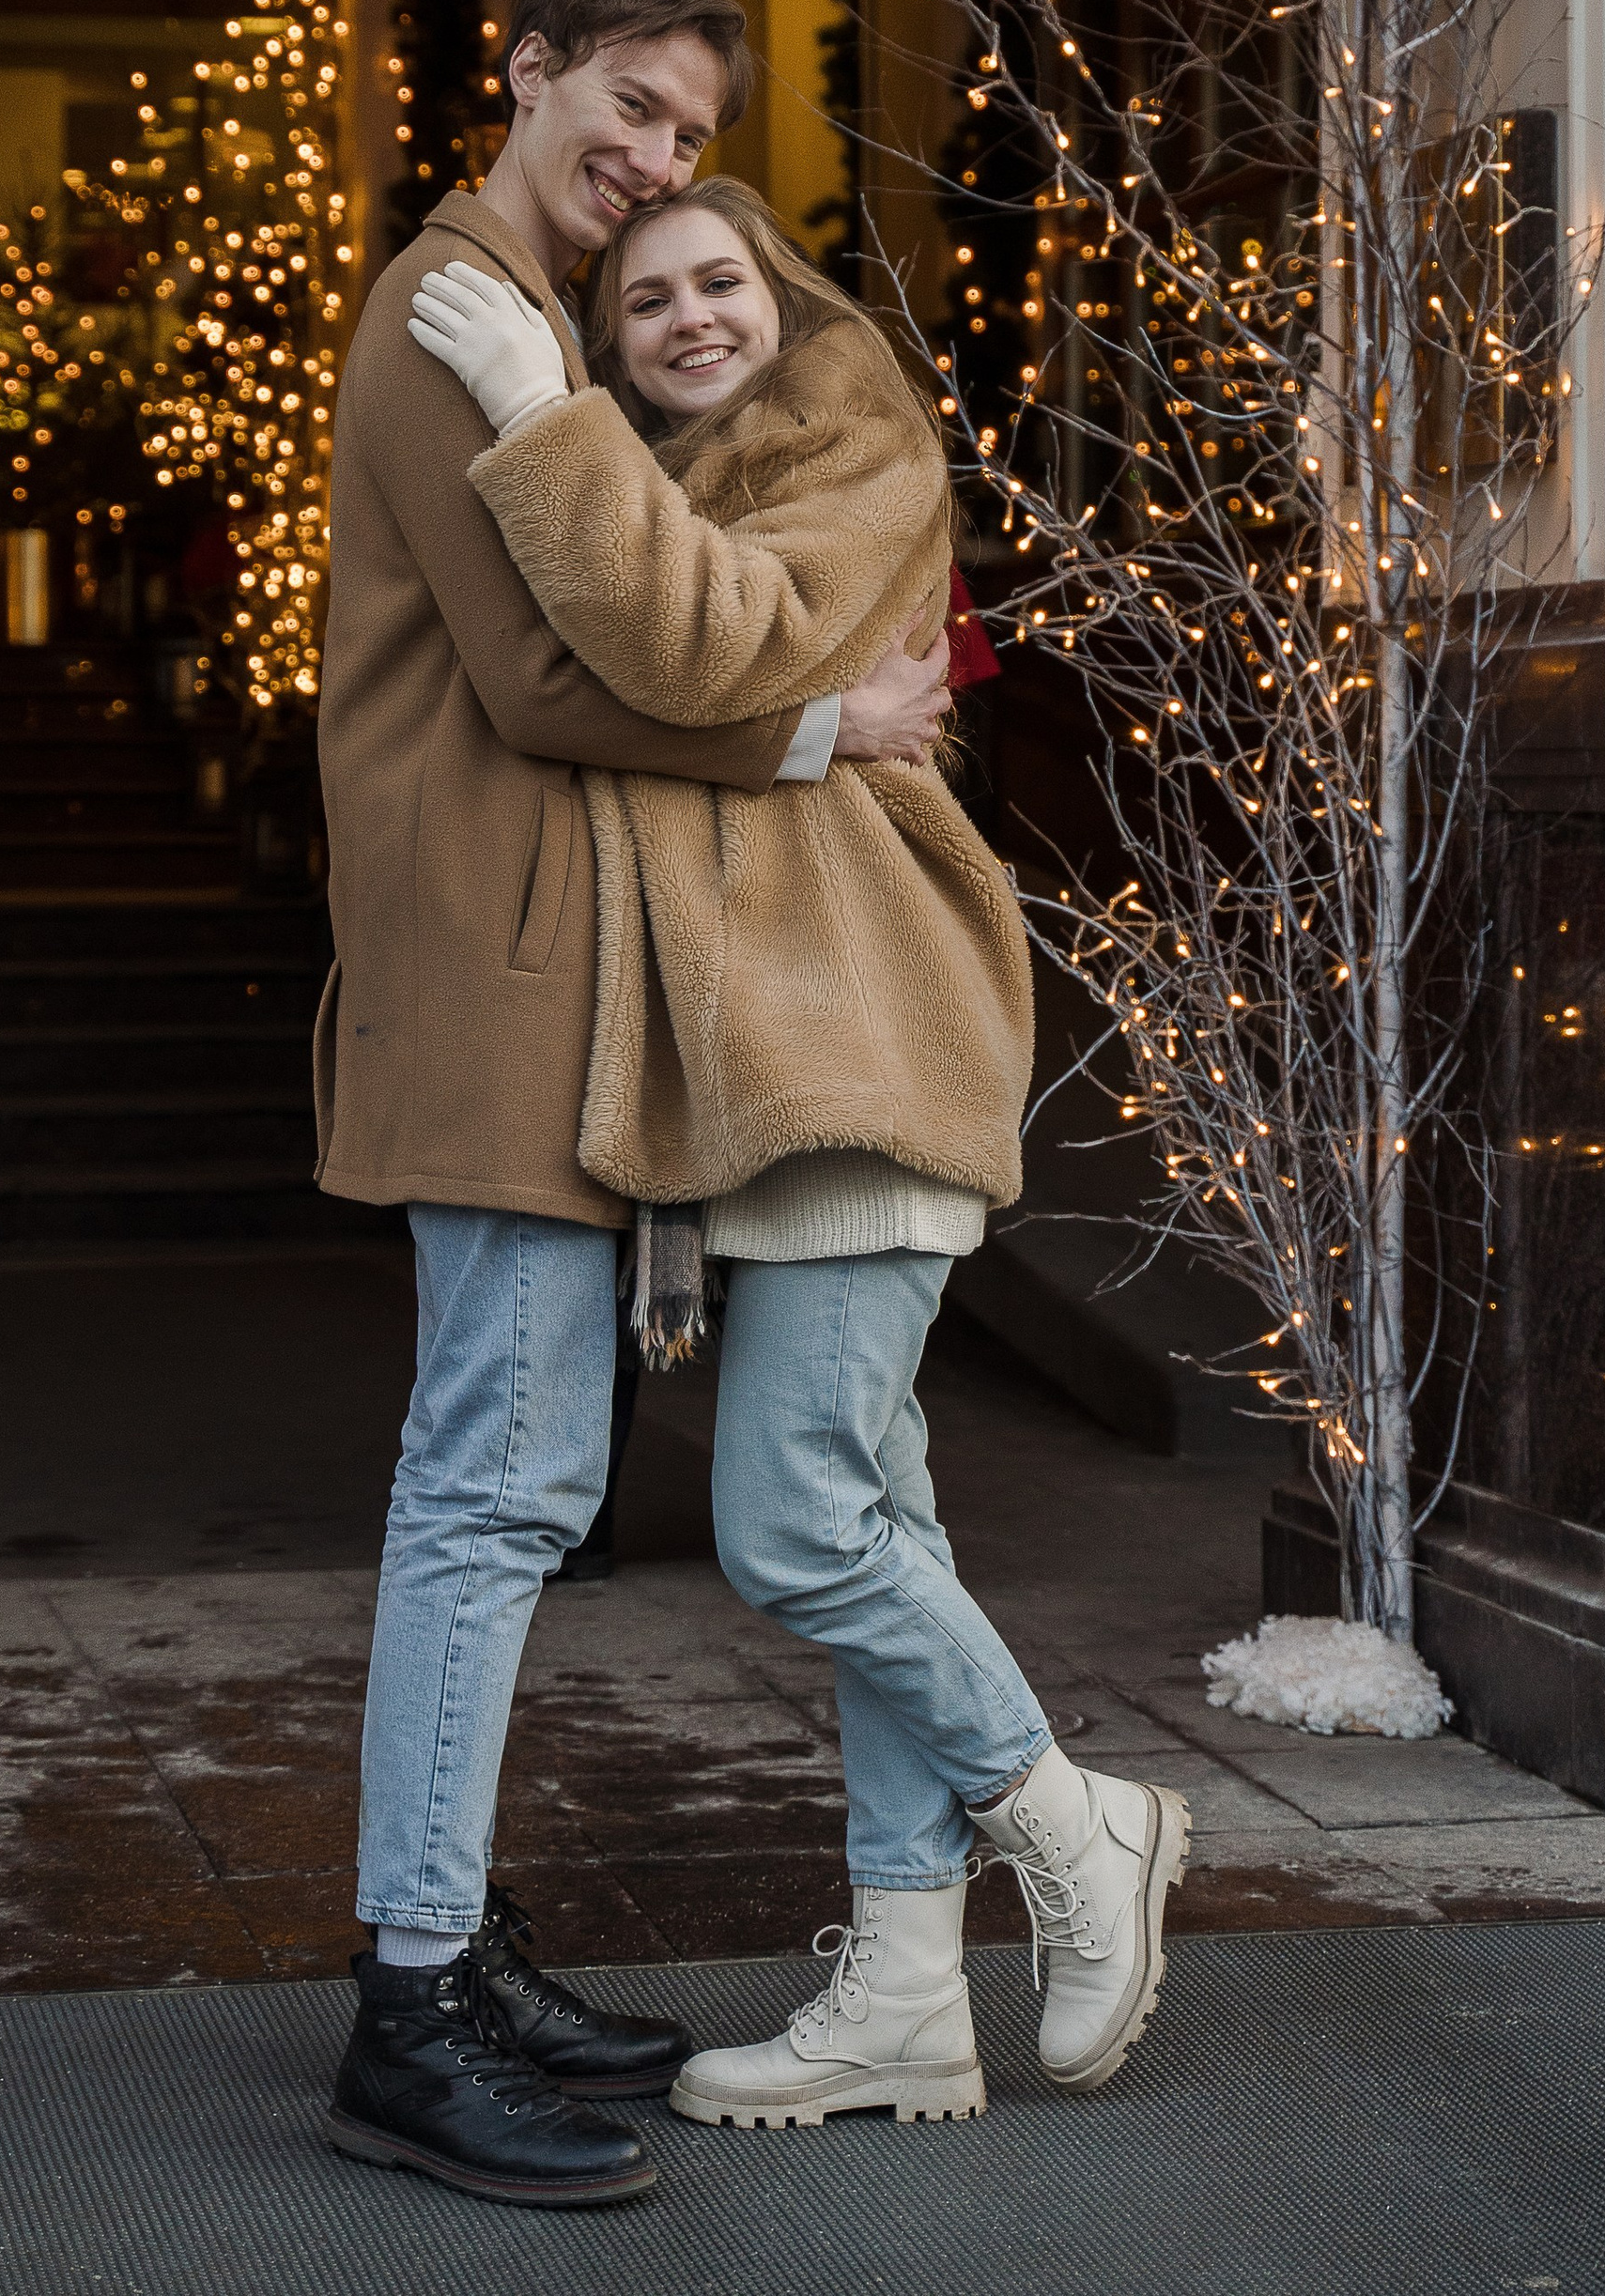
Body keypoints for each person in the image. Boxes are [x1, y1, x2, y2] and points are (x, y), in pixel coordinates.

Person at [408, 176, 1191, 2136]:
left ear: (781, 294)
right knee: (881, 1530)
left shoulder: (845, 437)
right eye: (640, 300)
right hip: (759, 1075)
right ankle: (907, 1991)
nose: (685, 318)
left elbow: (691, 645)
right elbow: (609, 692)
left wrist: (536, 416)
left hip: (862, 1044)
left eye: (714, 282)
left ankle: (1071, 1823)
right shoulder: (667, 475)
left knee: (792, 1526)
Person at [314, 0, 952, 2211]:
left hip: (541, 980)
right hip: (492, 973)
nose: (658, 160)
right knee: (489, 1489)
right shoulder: (449, 312)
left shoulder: (532, 313)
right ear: (530, 72)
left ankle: (452, 1948)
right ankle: (409, 2008)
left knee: (518, 1484)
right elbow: (547, 668)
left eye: (691, 135)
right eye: (632, 108)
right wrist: (818, 727)